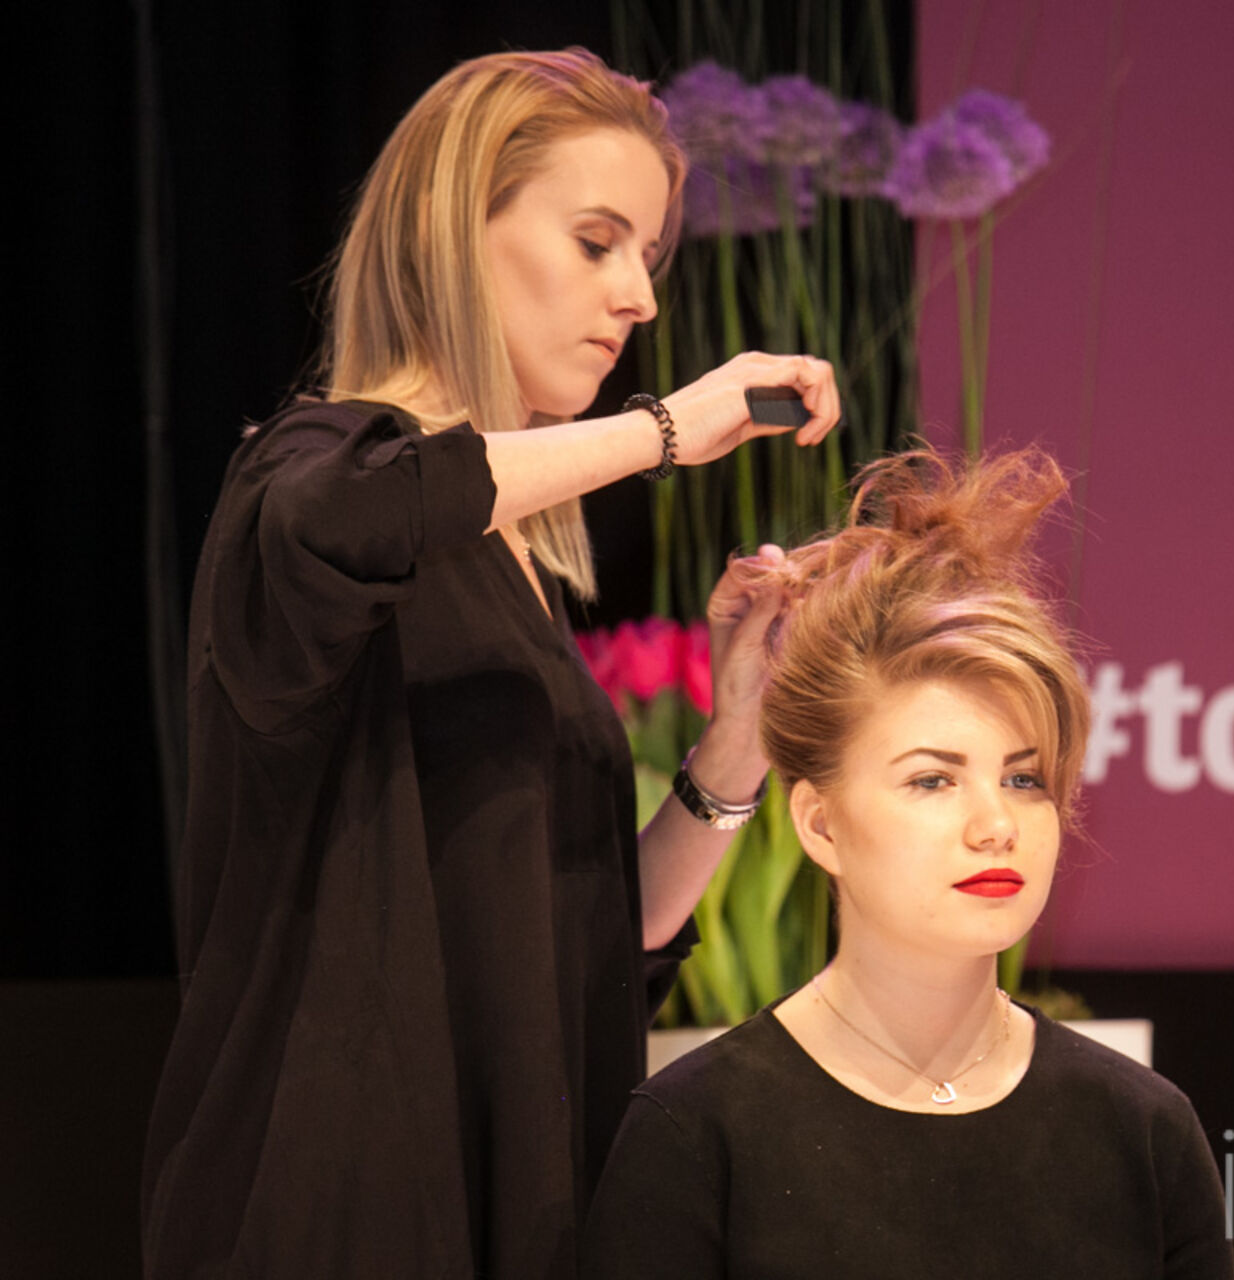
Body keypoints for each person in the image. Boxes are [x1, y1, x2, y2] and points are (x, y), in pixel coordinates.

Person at [140, 48, 840, 1278]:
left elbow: (597, 931)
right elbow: (361, 510)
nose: (639, 299)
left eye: (647, 256)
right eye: (596, 242)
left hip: (513, 1187)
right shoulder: (307, 476)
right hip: (339, 1201)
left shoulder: (513, 562)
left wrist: (736, 735)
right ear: (452, 233)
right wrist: (666, 430)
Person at [578, 449, 1234, 1279]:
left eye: (1024, 779)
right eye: (933, 780)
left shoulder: (1143, 1131)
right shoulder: (697, 1134)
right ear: (820, 825)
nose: (995, 825)